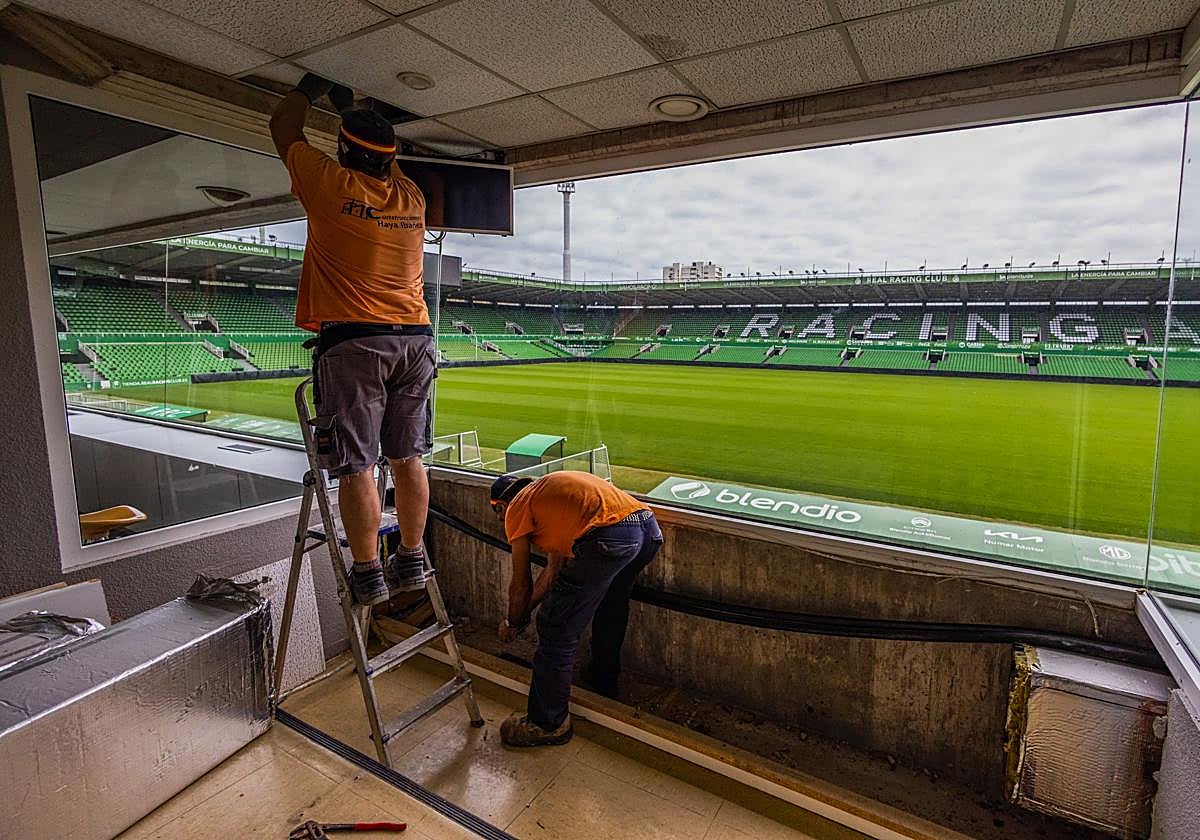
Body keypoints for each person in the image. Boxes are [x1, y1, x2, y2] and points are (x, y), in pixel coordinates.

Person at [269, 73, 433, 606]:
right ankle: (411, 556)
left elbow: (282, 126)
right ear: (389, 160)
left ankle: (367, 570)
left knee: (357, 464)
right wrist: (349, 106)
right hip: (416, 340)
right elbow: (389, 158)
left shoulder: (329, 182)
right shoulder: (410, 198)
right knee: (409, 460)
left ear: (342, 152)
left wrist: (307, 88)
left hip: (356, 343)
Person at [490, 471, 663, 747]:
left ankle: (547, 723)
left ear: (500, 506)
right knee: (610, 605)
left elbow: (521, 582)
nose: (500, 520)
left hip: (610, 536)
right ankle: (602, 679)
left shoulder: (517, 507)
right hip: (646, 530)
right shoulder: (549, 499)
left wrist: (512, 622)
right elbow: (553, 572)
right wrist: (521, 618)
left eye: (497, 512)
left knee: (556, 626)